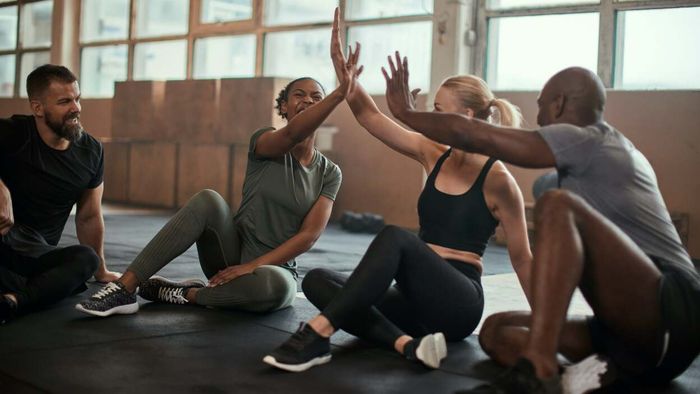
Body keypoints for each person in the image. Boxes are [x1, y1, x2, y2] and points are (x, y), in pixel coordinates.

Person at [382, 56, 700, 393]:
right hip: (633, 346)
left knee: (556, 204)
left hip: (674, 310)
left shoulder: (592, 138)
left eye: (541, 106)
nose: (537, 117)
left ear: (559, 103)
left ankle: (539, 368)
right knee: (497, 332)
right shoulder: (585, 164)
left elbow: (477, 136)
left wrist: (407, 114)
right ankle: (581, 378)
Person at [263, 9, 532, 373]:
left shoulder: (498, 179)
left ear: (466, 117)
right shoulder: (432, 152)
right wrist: (343, 76)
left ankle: (316, 334)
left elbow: (523, 260)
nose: (428, 117)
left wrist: (548, 332)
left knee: (396, 238)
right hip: (413, 301)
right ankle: (407, 345)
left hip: (458, 304)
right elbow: (370, 117)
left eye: (438, 110)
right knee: (318, 281)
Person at [75, 47, 362, 317]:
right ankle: (125, 287)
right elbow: (292, 136)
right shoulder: (265, 141)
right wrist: (339, 94)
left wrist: (252, 267)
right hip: (229, 253)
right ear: (284, 107)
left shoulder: (329, 172)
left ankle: (186, 294)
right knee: (208, 199)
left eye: (317, 97)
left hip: (273, 269)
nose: (309, 101)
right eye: (299, 95)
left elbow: (308, 236)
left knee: (277, 290)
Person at [0, 64, 120, 325]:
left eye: (77, 98)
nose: (76, 108)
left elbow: (88, 216)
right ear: (38, 108)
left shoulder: (91, 152)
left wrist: (100, 270)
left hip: (34, 257)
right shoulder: (13, 133)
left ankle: (12, 303)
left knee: (84, 259)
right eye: (65, 101)